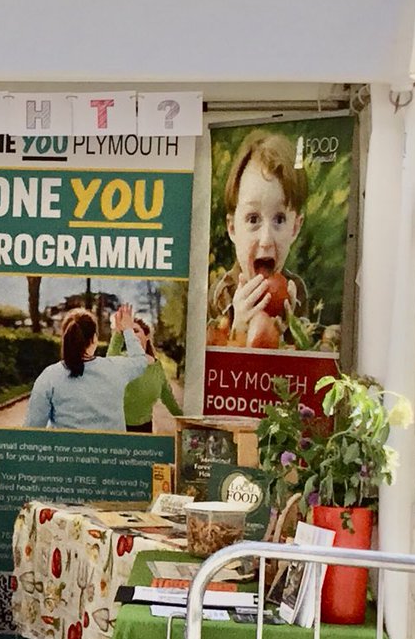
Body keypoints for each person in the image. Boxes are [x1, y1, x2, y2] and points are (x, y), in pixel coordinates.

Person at [207, 130, 308, 348]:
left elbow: (302, 366)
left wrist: (291, 328)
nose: (265, 240)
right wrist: (239, 328)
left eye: (279, 219)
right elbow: (210, 366)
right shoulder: (221, 295)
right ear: (233, 228)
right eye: (253, 219)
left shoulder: (295, 292)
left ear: (295, 228)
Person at [24, 304, 148, 431]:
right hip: (112, 450)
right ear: (94, 339)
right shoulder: (116, 369)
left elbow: (32, 429)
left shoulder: (50, 376)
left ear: (65, 339)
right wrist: (127, 329)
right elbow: (140, 361)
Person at [105, 316, 182, 432]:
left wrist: (185, 421)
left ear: (147, 336)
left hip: (145, 429)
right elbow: (109, 362)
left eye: (135, 331)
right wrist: (118, 332)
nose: (132, 335)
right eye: (129, 332)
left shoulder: (157, 366)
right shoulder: (123, 361)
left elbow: (168, 397)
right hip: (119, 428)